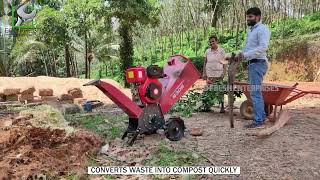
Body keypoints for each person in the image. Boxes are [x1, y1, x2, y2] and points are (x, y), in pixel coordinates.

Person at [235, 7, 271, 128]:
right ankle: (261, 117)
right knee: (255, 92)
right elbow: (247, 49)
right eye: (247, 17)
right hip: (253, 64)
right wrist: (239, 54)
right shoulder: (251, 31)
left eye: (251, 17)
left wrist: (245, 55)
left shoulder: (262, 29)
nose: (248, 19)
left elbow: (263, 47)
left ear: (258, 17)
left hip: (258, 63)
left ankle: (259, 120)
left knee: (255, 93)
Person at [202, 35, 228, 113]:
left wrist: (224, 72)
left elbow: (225, 63)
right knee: (208, 90)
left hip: (219, 74)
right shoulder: (207, 51)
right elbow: (205, 62)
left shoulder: (221, 51)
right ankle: (207, 106)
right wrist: (204, 73)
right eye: (210, 42)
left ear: (217, 41)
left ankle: (222, 107)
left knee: (220, 90)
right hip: (209, 74)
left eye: (213, 41)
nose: (211, 43)